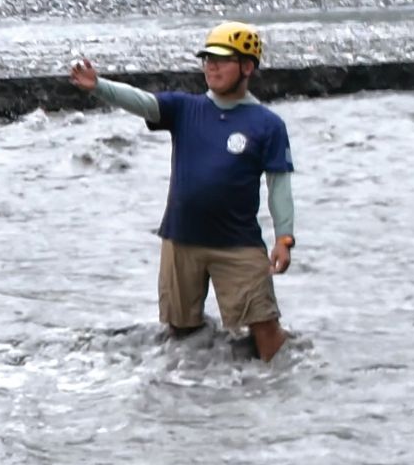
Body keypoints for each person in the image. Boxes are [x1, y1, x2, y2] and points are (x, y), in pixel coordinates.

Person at [70, 22, 296, 361]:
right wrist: (99, 86)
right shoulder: (185, 109)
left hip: (238, 244)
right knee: (180, 329)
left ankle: (279, 396)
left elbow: (279, 184)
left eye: (222, 59)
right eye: (207, 59)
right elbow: (144, 103)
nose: (212, 67)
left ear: (247, 67)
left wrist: (284, 238)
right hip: (180, 240)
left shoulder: (267, 124)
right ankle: (189, 396)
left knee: (265, 328)